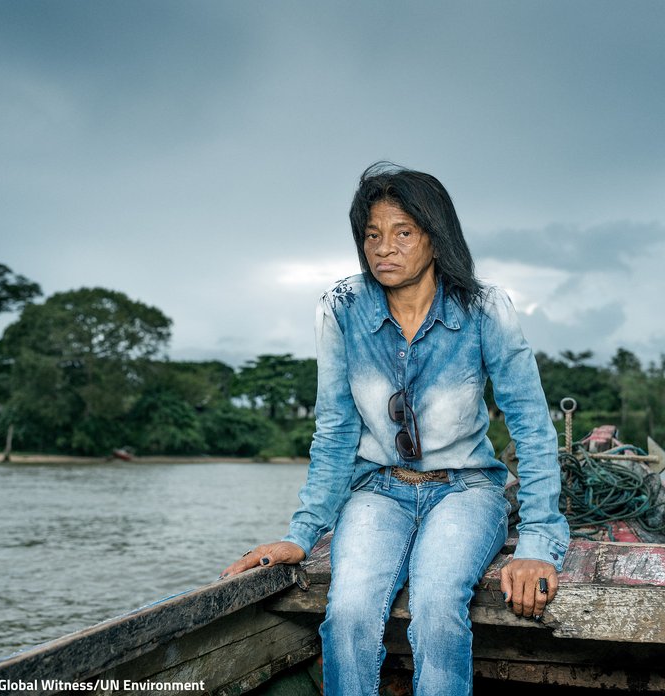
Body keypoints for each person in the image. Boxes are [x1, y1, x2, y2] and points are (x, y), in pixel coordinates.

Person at [221, 163, 569, 696]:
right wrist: (302, 533)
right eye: (372, 235)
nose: (384, 248)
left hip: (467, 489)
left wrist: (539, 541)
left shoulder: (484, 307)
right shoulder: (342, 307)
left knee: (435, 606)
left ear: (435, 237)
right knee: (350, 612)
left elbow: (531, 425)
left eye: (402, 232)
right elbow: (335, 429)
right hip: (378, 489)